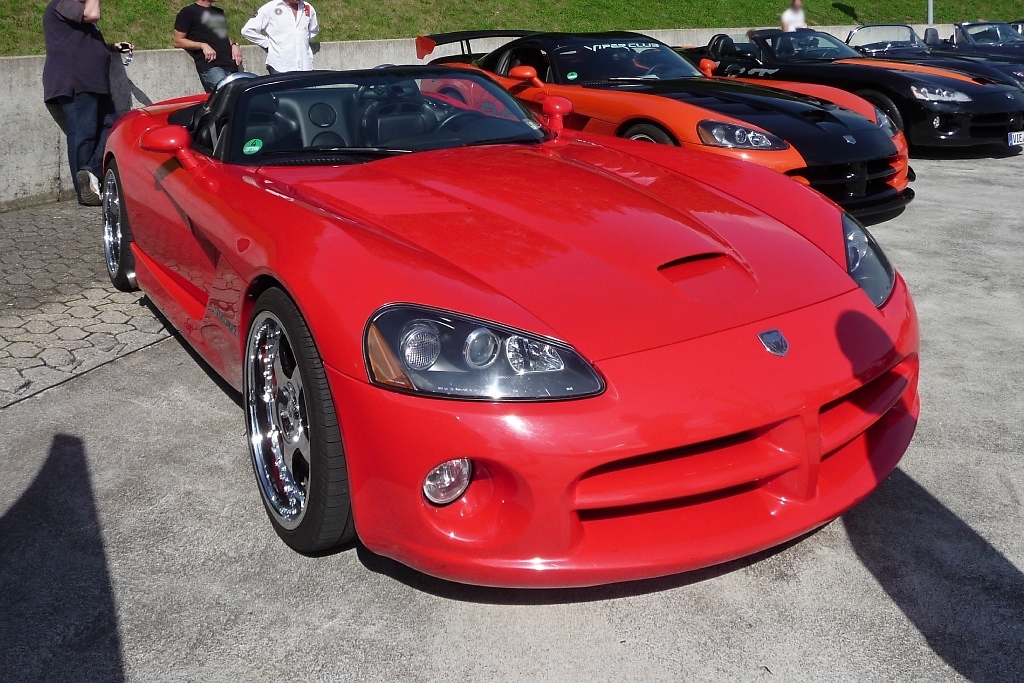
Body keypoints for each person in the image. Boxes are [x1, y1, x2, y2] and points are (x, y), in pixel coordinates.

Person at [42, 0, 132, 206]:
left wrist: (112, 47)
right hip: (75, 80)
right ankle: (85, 192)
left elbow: (82, 41)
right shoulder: (62, 3)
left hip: (92, 83)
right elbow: (92, 14)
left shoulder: (76, 12)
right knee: (83, 133)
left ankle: (90, 172)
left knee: (115, 125)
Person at [173, 0, 244, 93]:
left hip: (230, 65)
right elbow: (178, 41)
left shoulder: (219, 12)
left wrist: (234, 45)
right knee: (228, 94)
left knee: (242, 95)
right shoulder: (188, 12)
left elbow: (222, 35)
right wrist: (202, 45)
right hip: (211, 66)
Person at [241, 0, 319, 74]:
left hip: (305, 66)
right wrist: (267, 44)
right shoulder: (270, 8)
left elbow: (313, 30)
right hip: (280, 67)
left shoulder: (307, 7)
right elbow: (247, 30)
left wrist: (301, 41)